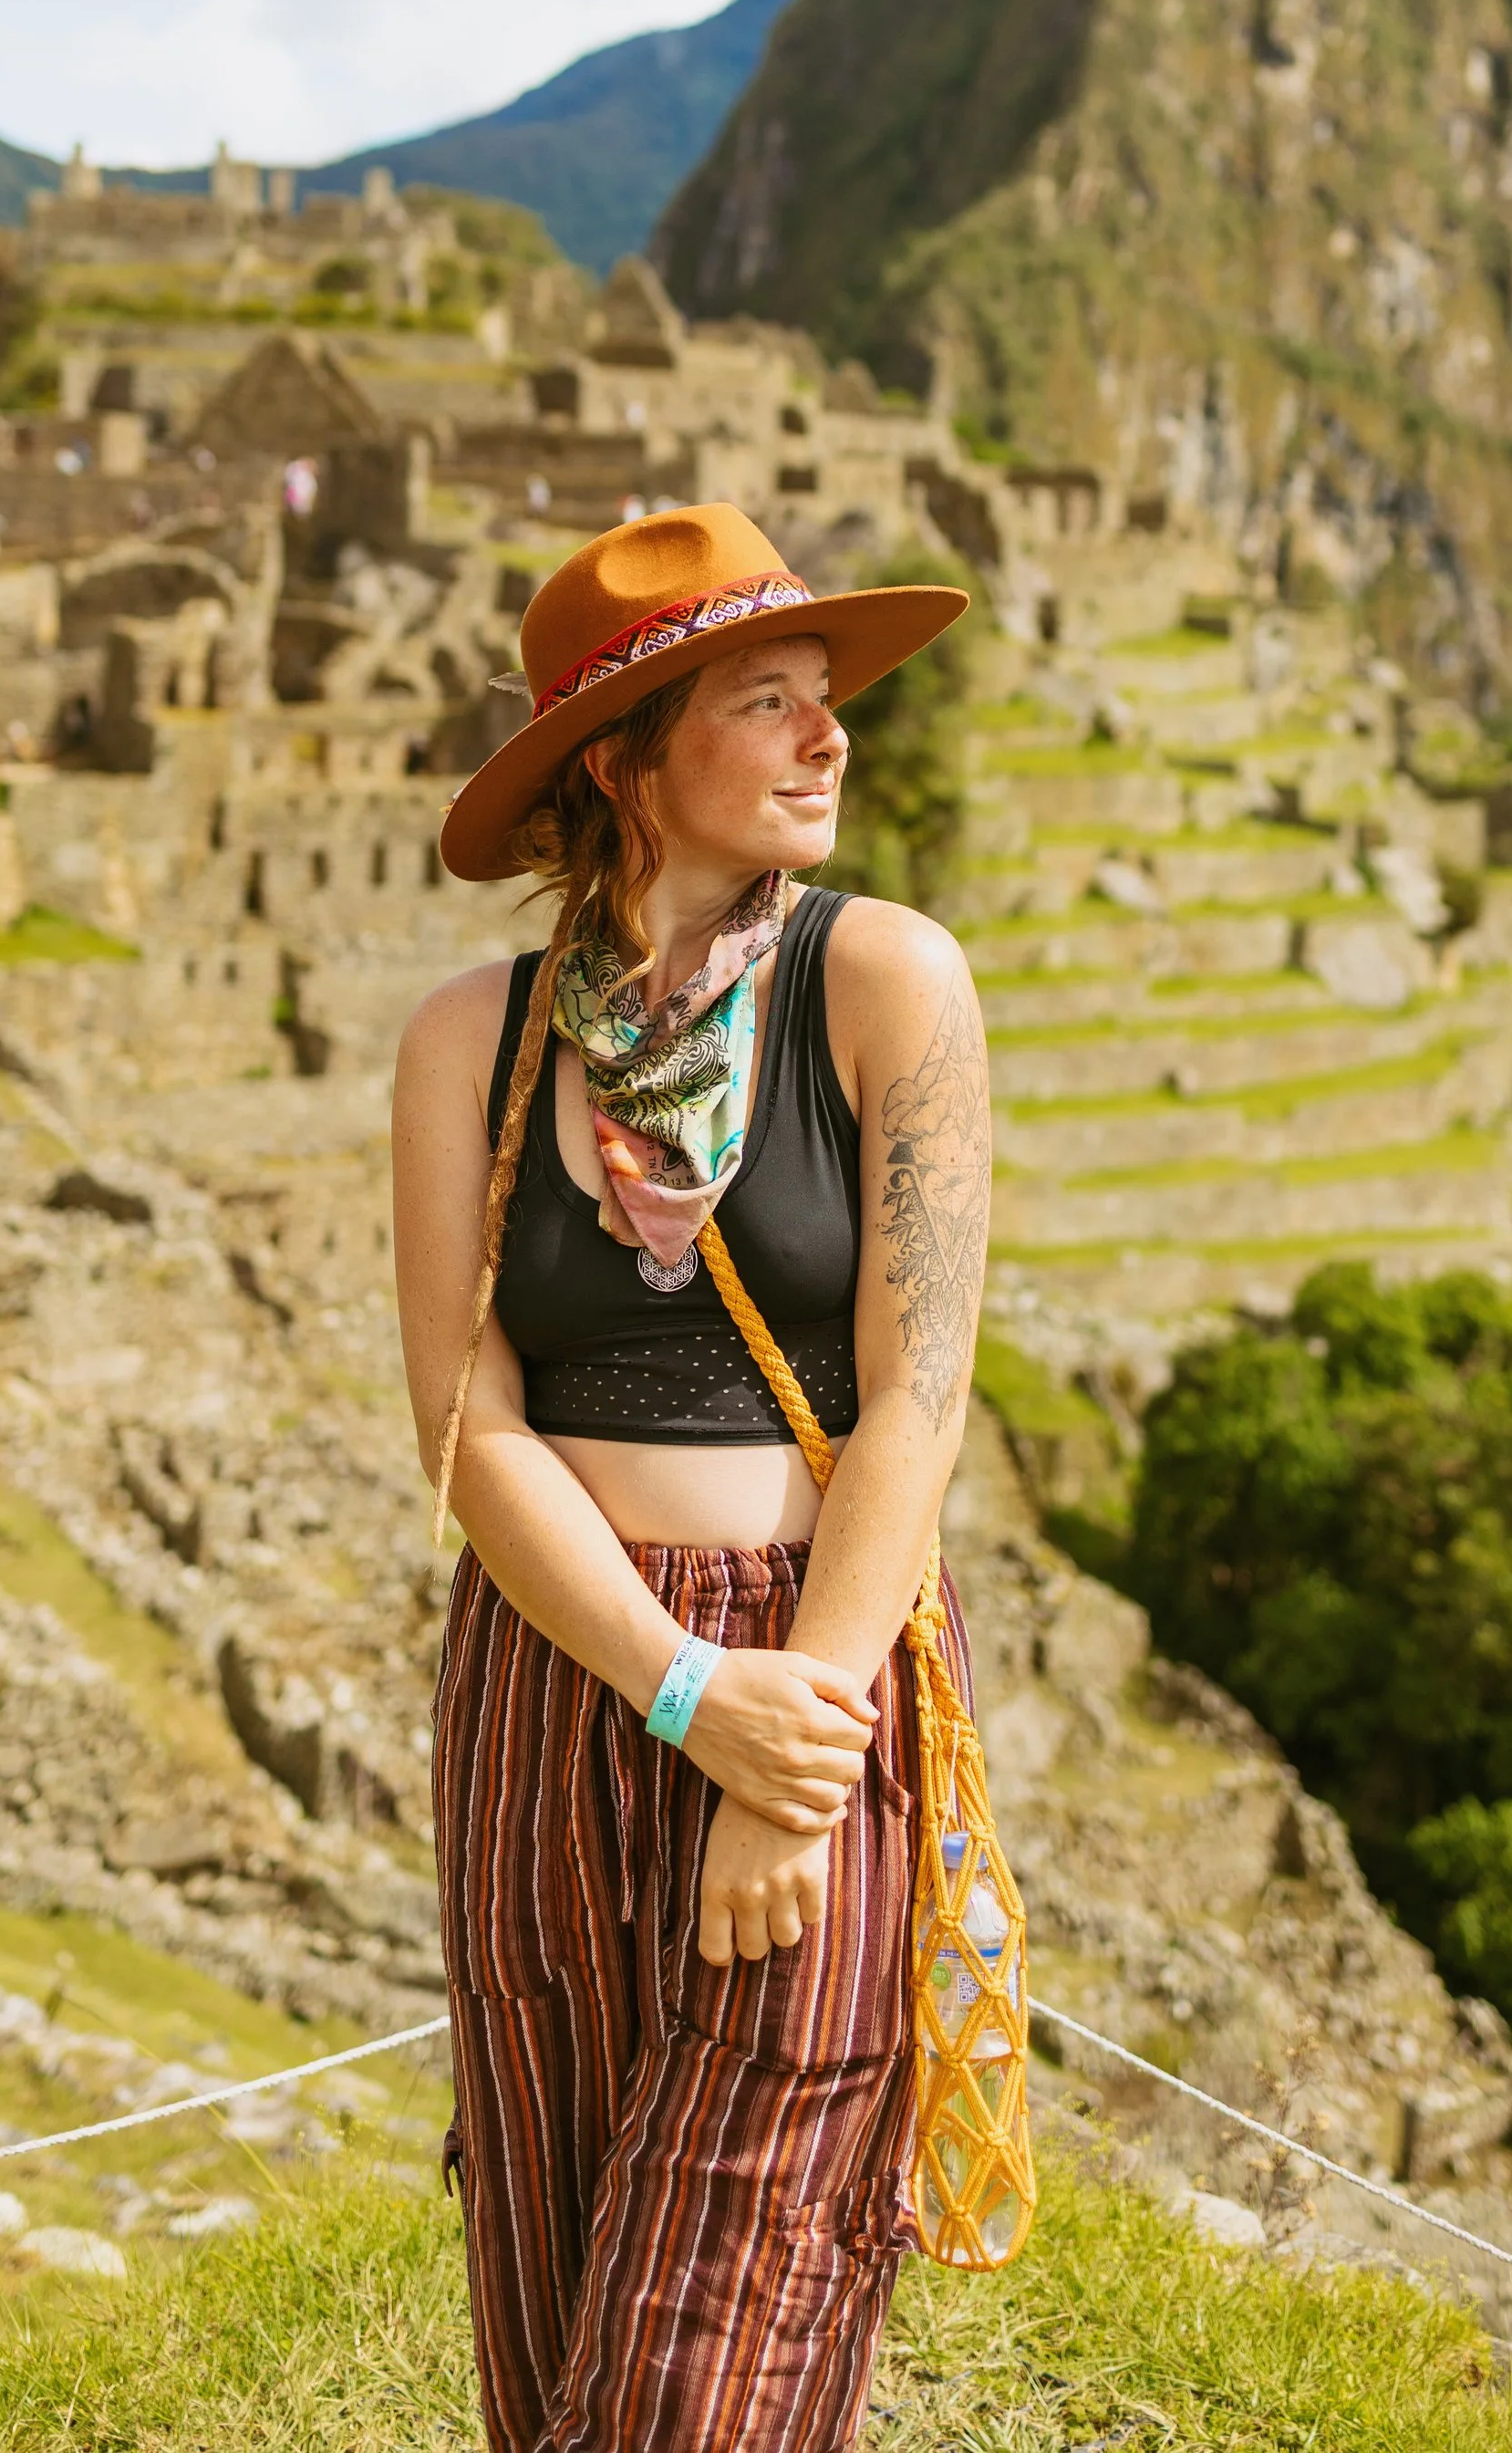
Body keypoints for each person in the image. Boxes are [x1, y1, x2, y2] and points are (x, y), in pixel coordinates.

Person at [394, 504, 988, 2453]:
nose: (830, 741)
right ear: (625, 756)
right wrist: (673, 1688)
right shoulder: (467, 1046)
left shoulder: (883, 984)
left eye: (826, 702)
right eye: (768, 702)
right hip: (560, 1687)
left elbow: (912, 1402)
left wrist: (780, 1751)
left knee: (705, 2361)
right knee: (556, 2327)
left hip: (816, 1678)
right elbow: (468, 1422)